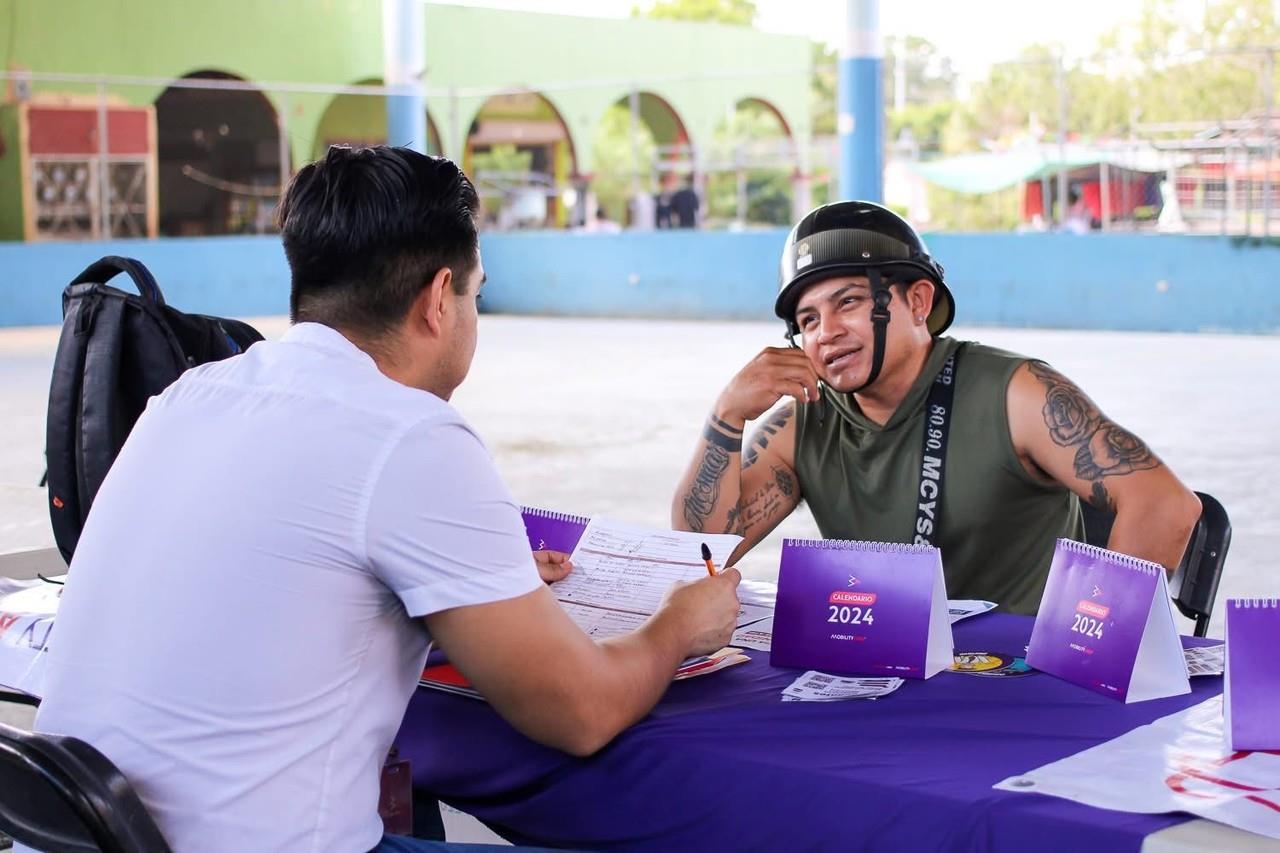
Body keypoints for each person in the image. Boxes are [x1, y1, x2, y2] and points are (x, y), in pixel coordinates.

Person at [32, 146, 741, 852]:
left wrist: (477, 577)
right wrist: (679, 622)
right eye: (476, 294)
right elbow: (581, 711)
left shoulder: (187, 397)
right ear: (438, 299)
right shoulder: (408, 435)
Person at [671, 200, 1201, 615]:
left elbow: (1165, 506)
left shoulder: (1016, 391)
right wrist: (726, 418)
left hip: (1015, 680)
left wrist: (1086, 650)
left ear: (918, 302)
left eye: (849, 302)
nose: (826, 332)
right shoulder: (803, 417)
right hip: (886, 668)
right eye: (807, 320)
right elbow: (703, 554)